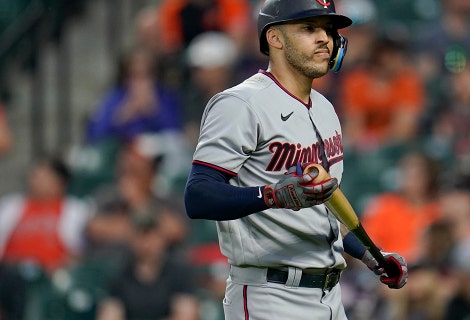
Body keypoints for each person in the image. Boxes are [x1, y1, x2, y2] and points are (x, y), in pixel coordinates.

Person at [183, 1, 408, 319]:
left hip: (330, 297)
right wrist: (271, 195)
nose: (325, 38)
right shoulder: (240, 104)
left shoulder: (326, 109)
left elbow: (322, 216)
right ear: (275, 38)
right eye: (309, 28)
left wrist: (370, 255)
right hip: (269, 296)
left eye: (328, 30)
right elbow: (197, 197)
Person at [0, 157, 93, 275]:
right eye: (35, 175)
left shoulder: (76, 210)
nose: (36, 180)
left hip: (53, 276)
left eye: (43, 176)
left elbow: (81, 252)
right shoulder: (10, 205)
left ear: (60, 183)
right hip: (10, 273)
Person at [97, 213, 199, 320]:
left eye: (152, 236)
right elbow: (110, 314)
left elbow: (187, 316)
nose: (147, 244)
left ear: (162, 238)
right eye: (141, 236)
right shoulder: (120, 273)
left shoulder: (179, 271)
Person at [361, 150, 441, 264]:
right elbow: (366, 247)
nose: (408, 178)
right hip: (385, 269)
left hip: (426, 268)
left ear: (429, 178)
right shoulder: (383, 205)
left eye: (416, 174)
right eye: (405, 172)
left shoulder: (437, 210)